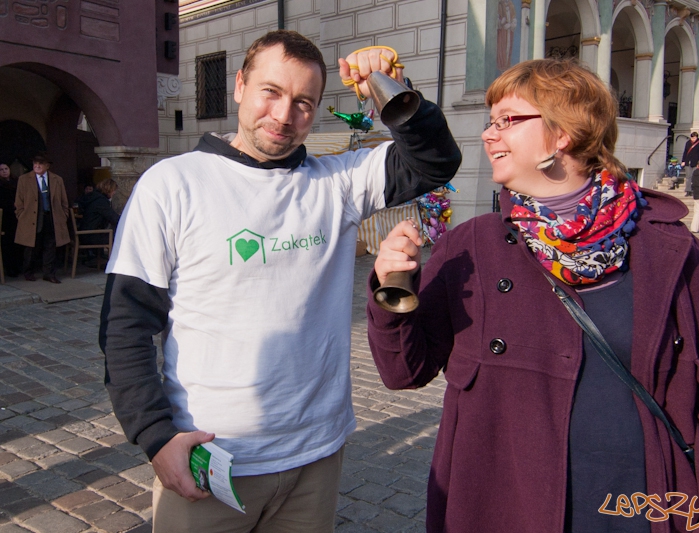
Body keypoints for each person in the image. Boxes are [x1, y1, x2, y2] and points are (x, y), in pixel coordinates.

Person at [367, 59, 699, 532]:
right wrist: (392, 286)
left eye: (507, 120)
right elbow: (404, 372)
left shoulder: (667, 246)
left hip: (637, 505)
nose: (489, 135)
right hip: (505, 504)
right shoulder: (471, 246)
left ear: (563, 134)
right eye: (491, 122)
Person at [99, 30, 461, 533]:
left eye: (303, 103)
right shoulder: (172, 184)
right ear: (239, 86)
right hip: (211, 456)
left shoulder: (337, 182)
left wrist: (391, 89)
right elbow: (125, 325)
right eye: (270, 92)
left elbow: (435, 161)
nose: (284, 115)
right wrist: (155, 437)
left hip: (315, 457)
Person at [14, 152, 70, 283]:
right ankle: (28, 272)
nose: (37, 166)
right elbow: (18, 201)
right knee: (31, 247)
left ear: (47, 166)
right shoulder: (24, 179)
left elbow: (64, 201)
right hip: (31, 219)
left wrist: (64, 215)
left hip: (51, 217)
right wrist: (21, 215)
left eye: (40, 164)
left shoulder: (57, 179)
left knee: (50, 246)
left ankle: (49, 274)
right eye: (35, 163)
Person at [77, 178, 120, 267]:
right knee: (119, 236)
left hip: (84, 233)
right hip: (91, 236)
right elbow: (114, 218)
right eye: (113, 191)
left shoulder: (93, 197)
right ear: (109, 189)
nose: (114, 193)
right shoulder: (101, 201)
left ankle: (103, 259)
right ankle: (115, 264)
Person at [0, 163, 23, 277]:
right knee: (8, 242)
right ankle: (10, 268)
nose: (4, 171)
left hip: (18, 215)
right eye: (1, 170)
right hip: (6, 216)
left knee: (18, 242)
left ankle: (20, 266)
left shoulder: (16, 182)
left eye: (6, 168)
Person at [680, 131, 699, 196]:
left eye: (695, 138)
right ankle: (688, 190)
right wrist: (683, 161)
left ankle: (693, 190)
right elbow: (685, 152)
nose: (693, 139)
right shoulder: (688, 143)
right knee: (688, 177)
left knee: (694, 177)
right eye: (692, 138)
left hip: (696, 162)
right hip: (688, 162)